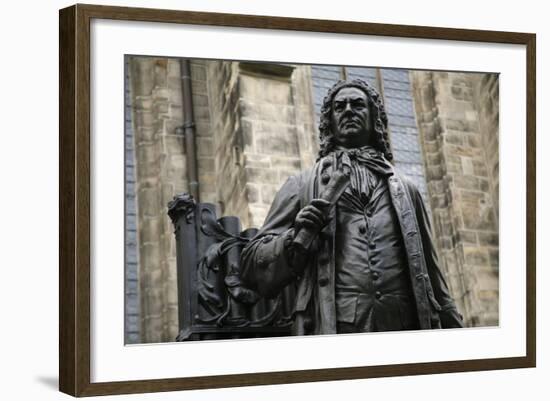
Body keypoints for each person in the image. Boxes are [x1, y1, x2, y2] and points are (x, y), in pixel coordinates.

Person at [241, 79, 464, 335]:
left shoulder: (407, 190)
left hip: (404, 328)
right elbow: (251, 266)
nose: (348, 110)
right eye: (340, 107)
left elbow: (434, 278)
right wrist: (294, 238)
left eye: (358, 105)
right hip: (336, 327)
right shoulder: (302, 184)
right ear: (330, 122)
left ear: (374, 118)